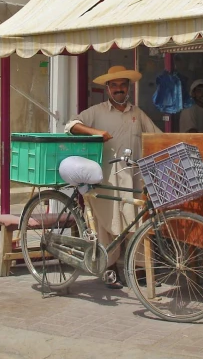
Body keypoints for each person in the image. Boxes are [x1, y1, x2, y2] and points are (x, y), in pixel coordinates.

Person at [65, 65, 161, 288]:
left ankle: (139, 269)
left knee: (135, 223)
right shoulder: (96, 111)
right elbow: (71, 125)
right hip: (106, 179)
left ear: (128, 87)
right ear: (108, 88)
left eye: (123, 84)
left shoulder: (137, 113)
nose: (119, 89)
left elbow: (157, 136)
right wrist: (95, 132)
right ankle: (110, 269)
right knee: (106, 224)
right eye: (114, 85)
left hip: (133, 179)